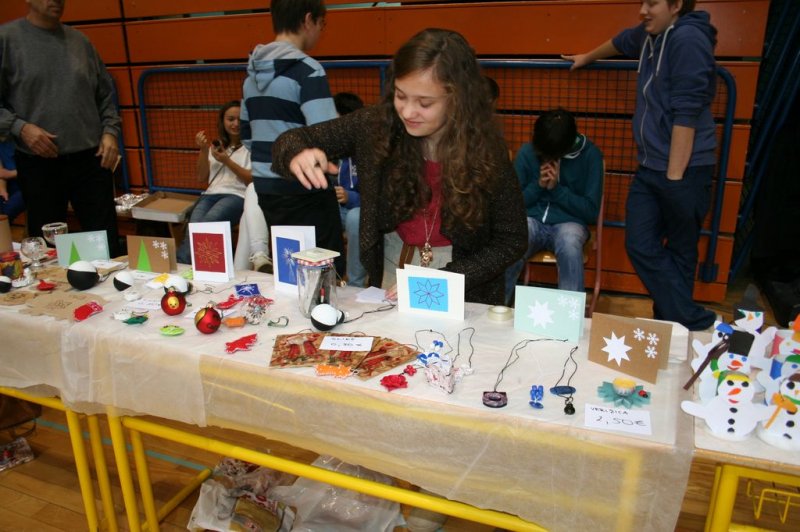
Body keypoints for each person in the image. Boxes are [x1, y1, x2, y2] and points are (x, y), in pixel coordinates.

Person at [272, 28, 527, 308]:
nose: (407, 112)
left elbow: (512, 239)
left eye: (425, 103)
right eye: (400, 96)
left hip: (463, 282)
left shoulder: (487, 152)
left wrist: (446, 279)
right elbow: (292, 140)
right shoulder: (375, 126)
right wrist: (296, 153)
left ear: (458, 99)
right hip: (392, 270)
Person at [563, 0, 718, 331]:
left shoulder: (687, 39)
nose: (642, 11)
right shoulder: (653, 34)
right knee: (640, 243)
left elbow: (686, 115)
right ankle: (688, 319)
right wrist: (587, 57)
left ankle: (673, 323)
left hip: (684, 169)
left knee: (680, 249)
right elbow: (621, 41)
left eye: (652, 3)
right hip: (650, 167)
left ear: (676, 5)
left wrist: (675, 178)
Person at [1, 0, 122, 255]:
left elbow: (105, 96)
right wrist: (20, 128)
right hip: (39, 162)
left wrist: (110, 132)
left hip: (92, 159)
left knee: (106, 245)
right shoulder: (7, 40)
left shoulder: (81, 42)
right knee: (47, 251)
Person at [240, 0, 344, 274]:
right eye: (322, 25)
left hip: (266, 186)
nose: (321, 33)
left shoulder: (251, 75)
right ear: (309, 20)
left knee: (288, 265)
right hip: (305, 188)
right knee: (324, 267)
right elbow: (328, 135)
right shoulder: (308, 70)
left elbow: (246, 134)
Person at [504, 109, 603, 305]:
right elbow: (511, 205)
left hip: (570, 223)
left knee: (569, 243)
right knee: (512, 238)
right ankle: (496, 306)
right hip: (531, 219)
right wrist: (538, 186)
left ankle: (569, 316)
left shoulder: (591, 156)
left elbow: (591, 212)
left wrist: (557, 190)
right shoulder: (527, 152)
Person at [177, 101, 251, 264]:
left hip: (237, 196)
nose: (235, 124)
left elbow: (251, 180)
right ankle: (187, 267)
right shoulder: (216, 146)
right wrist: (203, 151)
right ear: (223, 121)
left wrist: (227, 161)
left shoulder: (251, 147)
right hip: (210, 195)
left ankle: (182, 264)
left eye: (240, 119)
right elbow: (202, 177)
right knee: (194, 227)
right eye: (230, 119)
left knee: (206, 225)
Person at [332, 92, 366, 287]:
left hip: (361, 209)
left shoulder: (371, 147)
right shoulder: (330, 146)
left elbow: (380, 196)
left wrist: (351, 197)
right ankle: (326, 277)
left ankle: (355, 283)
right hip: (335, 208)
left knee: (355, 217)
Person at [0, 139, 24, 223]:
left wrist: (10, 174)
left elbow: (34, 170)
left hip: (26, 185)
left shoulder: (20, 141)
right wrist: (2, 189)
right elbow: (1, 173)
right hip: (8, 187)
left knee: (7, 211)